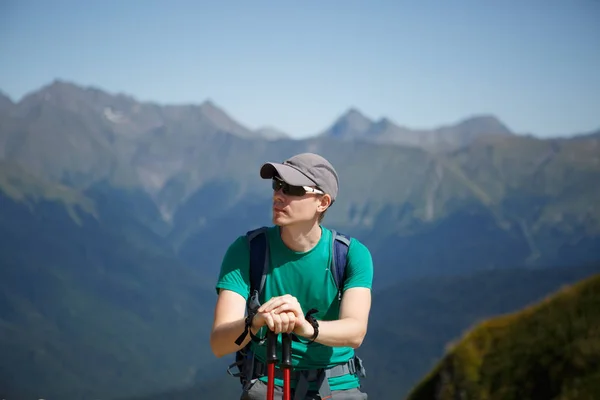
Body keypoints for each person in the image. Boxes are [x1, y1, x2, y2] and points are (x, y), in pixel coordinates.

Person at [210, 152, 374, 399]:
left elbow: (355, 332)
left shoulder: (352, 255)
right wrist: (256, 321)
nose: (278, 194)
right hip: (268, 383)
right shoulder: (246, 250)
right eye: (278, 185)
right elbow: (219, 343)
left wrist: (306, 327)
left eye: (293, 189)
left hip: (336, 385)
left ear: (323, 202)